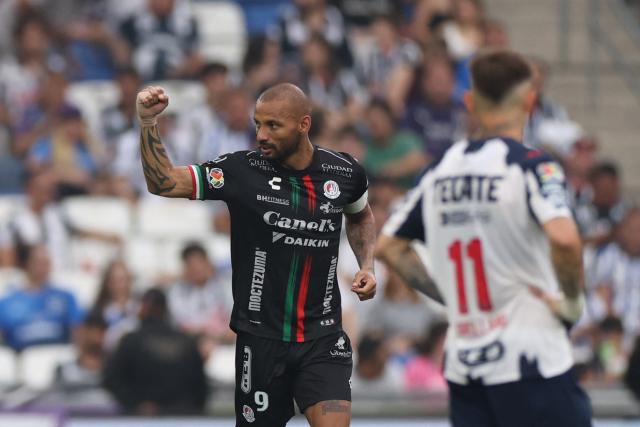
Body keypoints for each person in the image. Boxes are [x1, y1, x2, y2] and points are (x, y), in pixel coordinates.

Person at [135, 82, 377, 426]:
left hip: (322, 337)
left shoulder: (344, 172)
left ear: (303, 125)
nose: (261, 134)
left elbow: (361, 214)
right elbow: (163, 182)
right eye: (258, 124)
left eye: (273, 126)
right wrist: (147, 122)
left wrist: (367, 264)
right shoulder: (241, 171)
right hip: (261, 341)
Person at [376, 50, 592, 426]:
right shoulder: (531, 166)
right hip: (532, 361)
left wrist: (449, 296)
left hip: (466, 368)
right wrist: (571, 302)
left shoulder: (440, 171)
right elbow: (566, 239)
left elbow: (389, 247)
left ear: (470, 102)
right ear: (529, 100)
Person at [103, 288, 208, 415]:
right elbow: (201, 390)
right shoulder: (187, 342)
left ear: (144, 308)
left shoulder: (130, 341)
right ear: (166, 309)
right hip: (182, 418)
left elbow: (111, 379)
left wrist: (136, 404)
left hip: (141, 419)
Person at [0, 244, 84, 351]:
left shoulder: (66, 298)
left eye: (47, 263)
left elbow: (77, 332)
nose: (44, 268)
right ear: (27, 264)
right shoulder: (7, 303)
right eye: (39, 262)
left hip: (57, 353)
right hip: (22, 357)